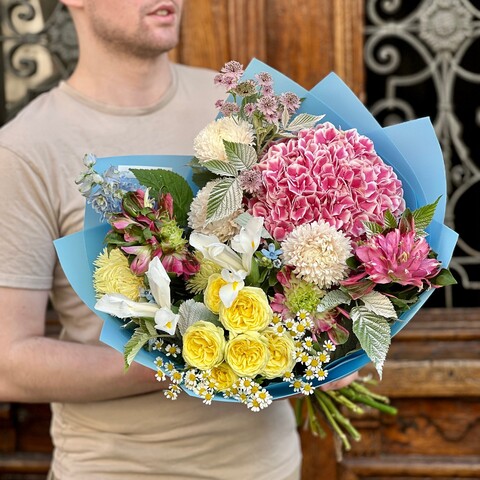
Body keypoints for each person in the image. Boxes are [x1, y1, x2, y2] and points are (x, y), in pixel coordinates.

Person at [0, 1, 355, 479]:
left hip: (266, 465)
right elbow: (11, 363)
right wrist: (205, 359)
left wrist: (331, 343)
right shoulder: (25, 148)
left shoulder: (239, 106)